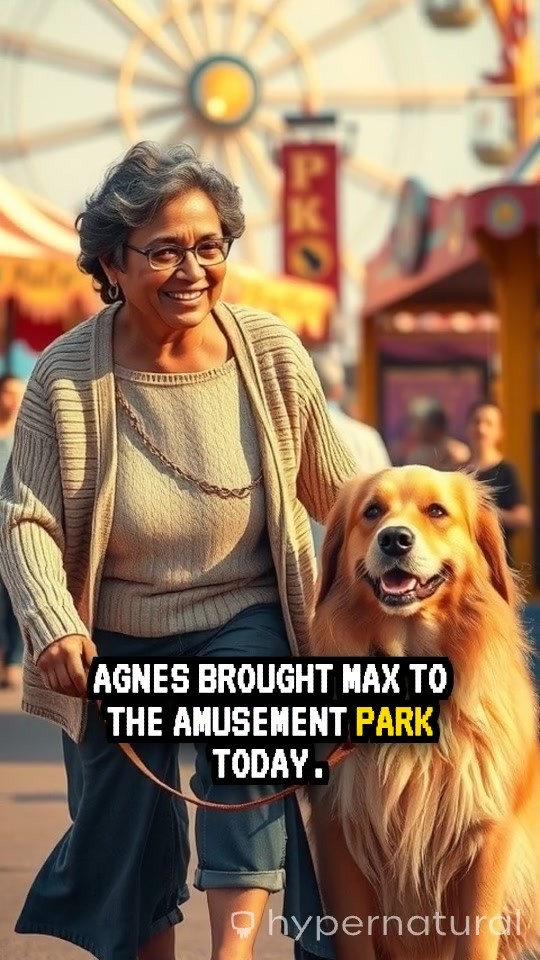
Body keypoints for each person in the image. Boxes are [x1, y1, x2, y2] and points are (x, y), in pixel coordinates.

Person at [0, 141, 358, 960]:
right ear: (111, 263)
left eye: (209, 246)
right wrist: (54, 623)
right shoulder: (63, 377)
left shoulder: (268, 352)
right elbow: (26, 519)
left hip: (244, 611)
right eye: (164, 250)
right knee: (122, 820)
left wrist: (411, 563)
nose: (192, 268)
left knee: (254, 732)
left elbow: (336, 500)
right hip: (114, 632)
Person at [309, 348, 390, 560]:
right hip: (361, 558)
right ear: (338, 391)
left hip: (305, 558)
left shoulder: (287, 435)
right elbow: (388, 499)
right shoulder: (367, 437)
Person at [466, 399, 531, 564]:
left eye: (488, 423)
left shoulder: (507, 470)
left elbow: (523, 518)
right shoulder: (458, 472)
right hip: (466, 567)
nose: (481, 429)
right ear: (468, 427)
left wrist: (487, 514)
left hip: (497, 564)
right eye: (477, 421)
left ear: (500, 432)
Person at [0, 373, 25, 689]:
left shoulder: (28, 434)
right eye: (7, 392)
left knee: (15, 598)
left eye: (19, 393)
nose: (13, 399)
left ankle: (15, 661)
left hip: (16, 533)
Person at [406, 399, 470, 471]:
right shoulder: (417, 455)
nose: (415, 428)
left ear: (432, 426)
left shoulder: (457, 452)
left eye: (418, 423)